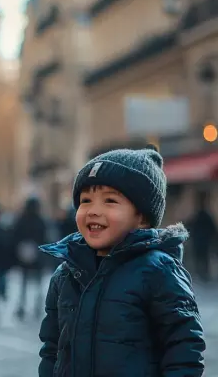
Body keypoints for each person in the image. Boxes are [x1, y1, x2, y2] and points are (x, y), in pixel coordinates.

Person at [38, 146, 205, 376]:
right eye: (86, 200)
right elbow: (52, 349)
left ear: (142, 217)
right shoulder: (66, 273)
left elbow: (183, 349)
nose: (93, 211)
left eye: (109, 201)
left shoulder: (158, 271)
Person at [11, 197, 49, 320]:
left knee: (24, 283)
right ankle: (36, 307)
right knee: (37, 283)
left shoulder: (21, 220)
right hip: (38, 255)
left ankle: (22, 306)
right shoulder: (40, 221)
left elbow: (15, 236)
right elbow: (45, 238)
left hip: (23, 255)